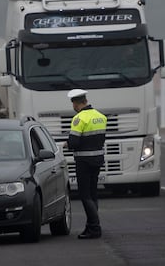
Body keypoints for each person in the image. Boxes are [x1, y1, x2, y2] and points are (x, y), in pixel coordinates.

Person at [65, 89, 107, 239]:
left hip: (83, 161)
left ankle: (95, 228)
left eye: (73, 104)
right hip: (97, 160)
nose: (73, 107)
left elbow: (74, 142)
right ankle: (90, 227)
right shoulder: (100, 117)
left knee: (85, 195)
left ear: (76, 103)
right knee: (93, 194)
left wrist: (67, 144)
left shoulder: (79, 118)